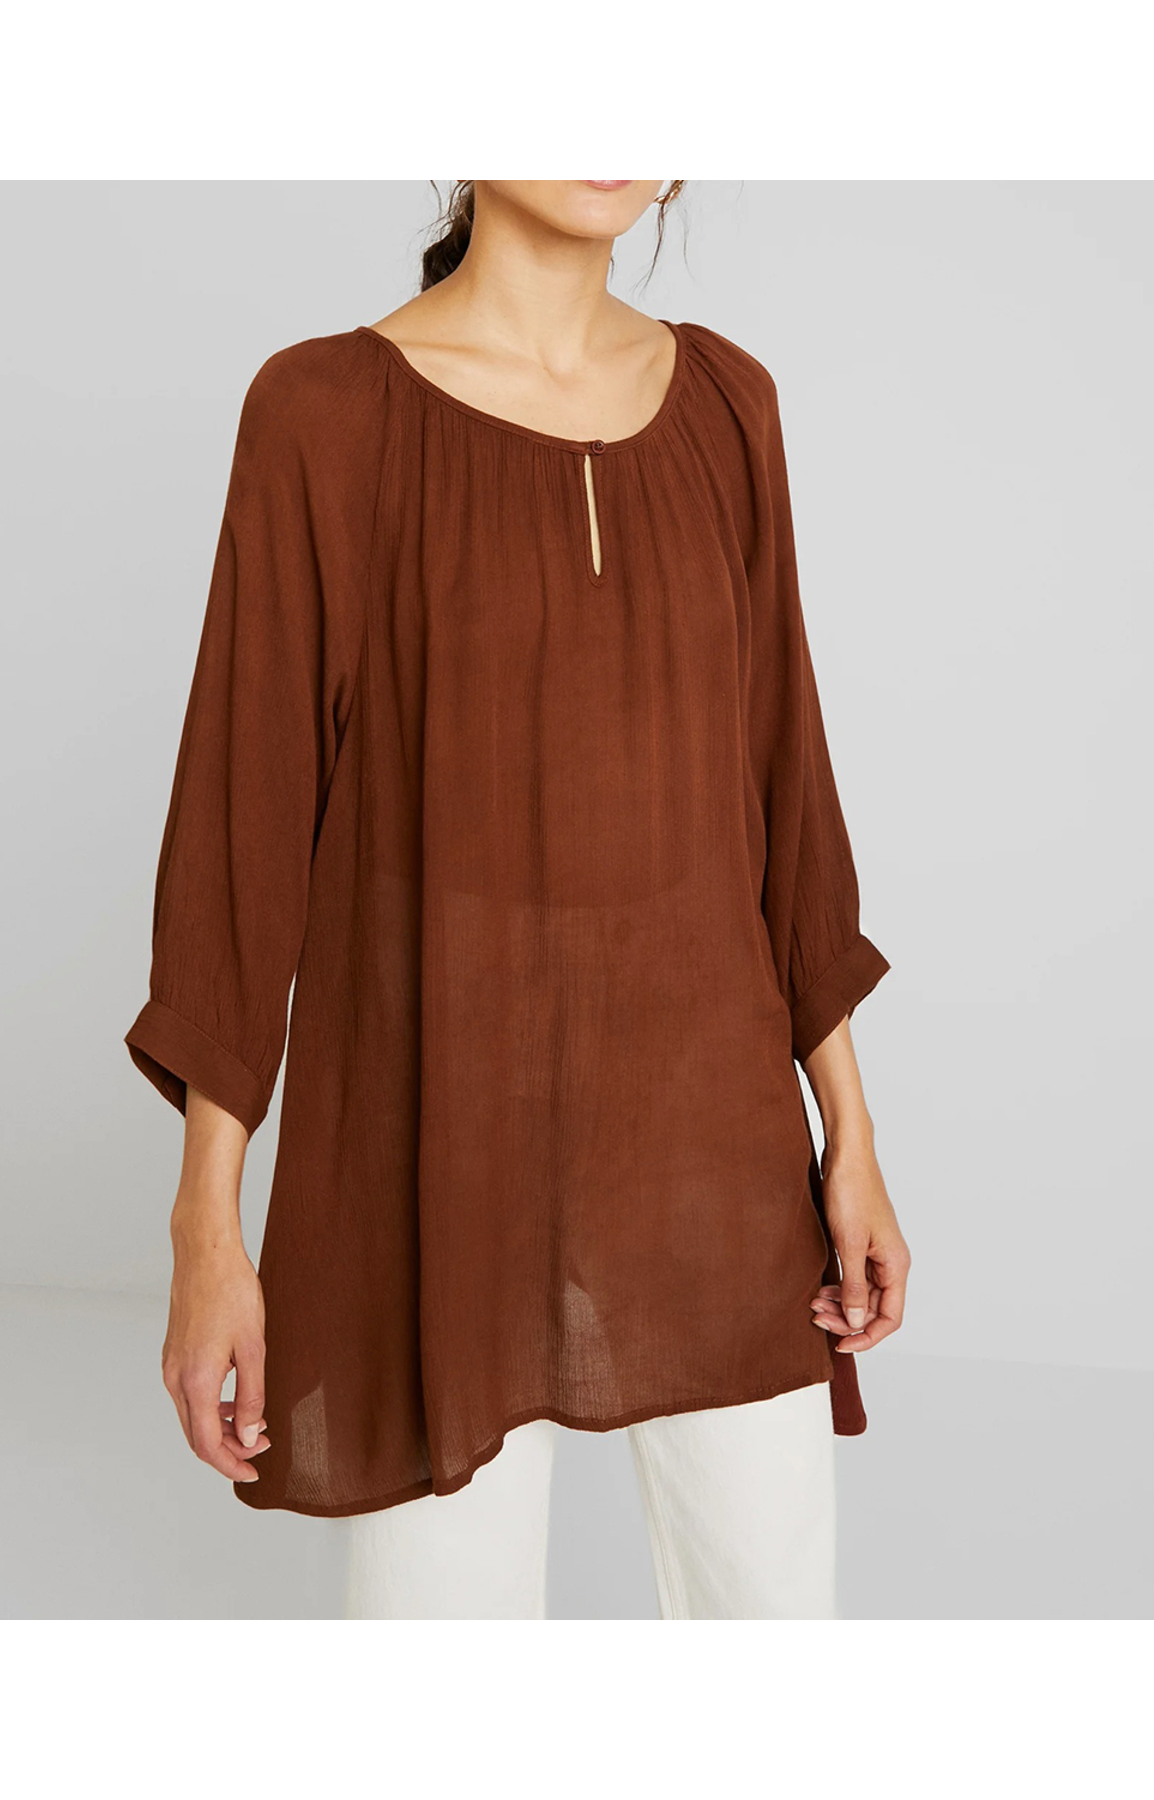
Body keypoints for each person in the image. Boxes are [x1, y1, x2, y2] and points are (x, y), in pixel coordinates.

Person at [125, 180, 910, 1619]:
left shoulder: (729, 404)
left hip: (716, 1156)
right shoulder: (325, 413)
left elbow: (785, 789)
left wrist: (849, 1134)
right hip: (436, 1152)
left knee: (774, 1626)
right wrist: (206, 1223)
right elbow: (244, 832)